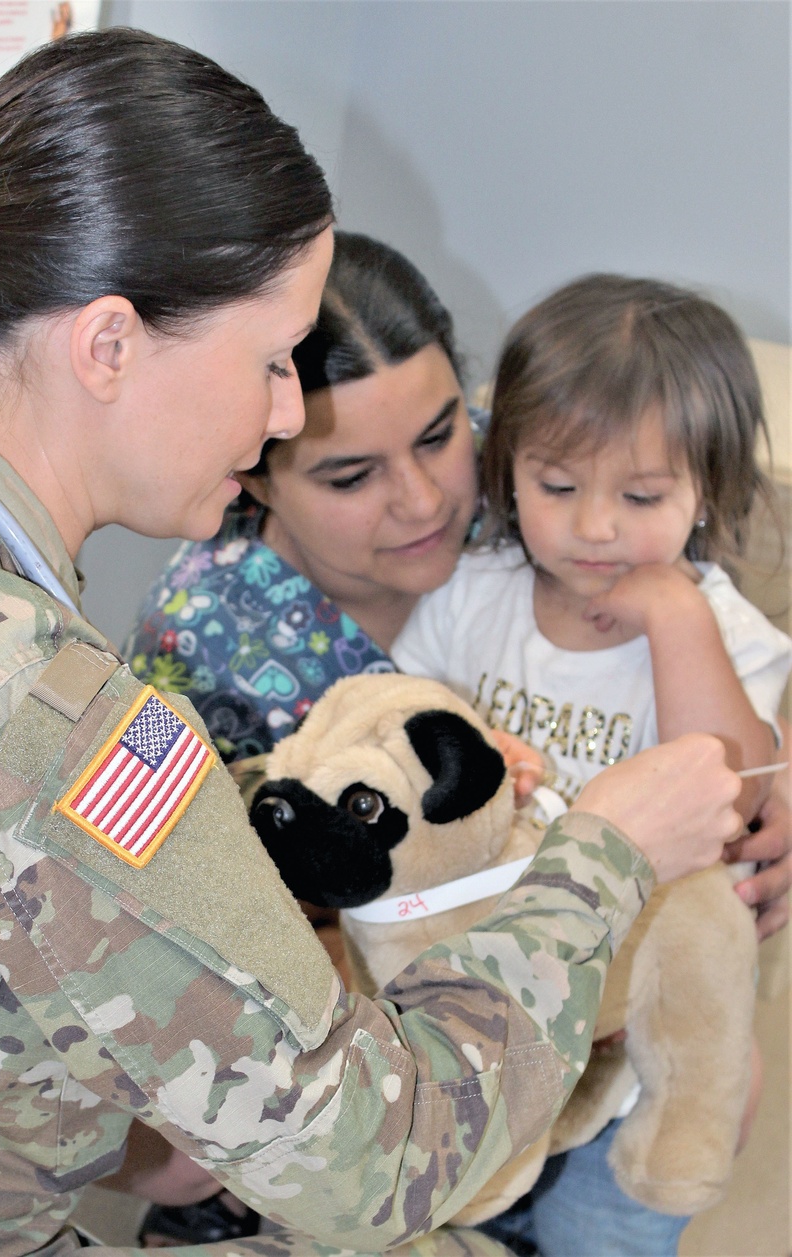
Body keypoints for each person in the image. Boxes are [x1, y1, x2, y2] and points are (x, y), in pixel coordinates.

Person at [0, 30, 749, 1253]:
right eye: (270, 360)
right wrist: (606, 861)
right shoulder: (45, 714)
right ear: (109, 344)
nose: (288, 410)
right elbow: (372, 1166)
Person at [126, 238, 792, 1249]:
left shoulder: (548, 460)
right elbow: (213, 961)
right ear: (249, 476)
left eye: (442, 437)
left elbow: (722, 584)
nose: (430, 500)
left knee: (715, 1077)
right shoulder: (205, 648)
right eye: (351, 475)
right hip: (385, 1037)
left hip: (606, 1002)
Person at [392, 273, 792, 1255]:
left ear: (707, 490)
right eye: (557, 487)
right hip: (498, 994)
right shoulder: (472, 597)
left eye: (642, 496)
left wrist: (673, 617)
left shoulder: (724, 629)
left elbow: (737, 789)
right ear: (507, 475)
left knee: (606, 1222)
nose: (598, 526)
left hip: (639, 1024)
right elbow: (403, 722)